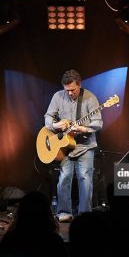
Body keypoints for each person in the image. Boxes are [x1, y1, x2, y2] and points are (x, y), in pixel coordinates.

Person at [44, 69, 103, 222]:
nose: (70, 93)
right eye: (67, 90)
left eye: (73, 90)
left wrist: (84, 128)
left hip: (85, 145)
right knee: (64, 178)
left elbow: (98, 122)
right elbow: (48, 116)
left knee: (85, 178)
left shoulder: (90, 98)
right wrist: (56, 125)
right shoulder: (58, 96)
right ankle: (63, 212)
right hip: (65, 145)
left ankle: (84, 215)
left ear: (79, 84)